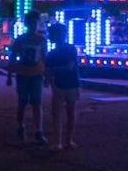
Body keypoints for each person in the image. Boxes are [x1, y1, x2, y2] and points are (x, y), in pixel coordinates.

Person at [10, 10, 48, 145]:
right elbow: (13, 57)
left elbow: (44, 57)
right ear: (27, 23)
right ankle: (21, 126)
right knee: (22, 102)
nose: (32, 24)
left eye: (34, 22)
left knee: (36, 103)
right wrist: (10, 75)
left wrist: (47, 75)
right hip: (23, 73)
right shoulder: (20, 39)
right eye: (30, 22)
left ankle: (38, 131)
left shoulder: (41, 39)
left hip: (36, 73)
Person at [44, 23, 81, 151]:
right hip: (68, 83)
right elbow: (68, 67)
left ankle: (63, 141)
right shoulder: (67, 50)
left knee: (62, 113)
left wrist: (50, 77)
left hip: (65, 84)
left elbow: (50, 70)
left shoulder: (58, 52)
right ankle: (64, 141)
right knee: (65, 112)